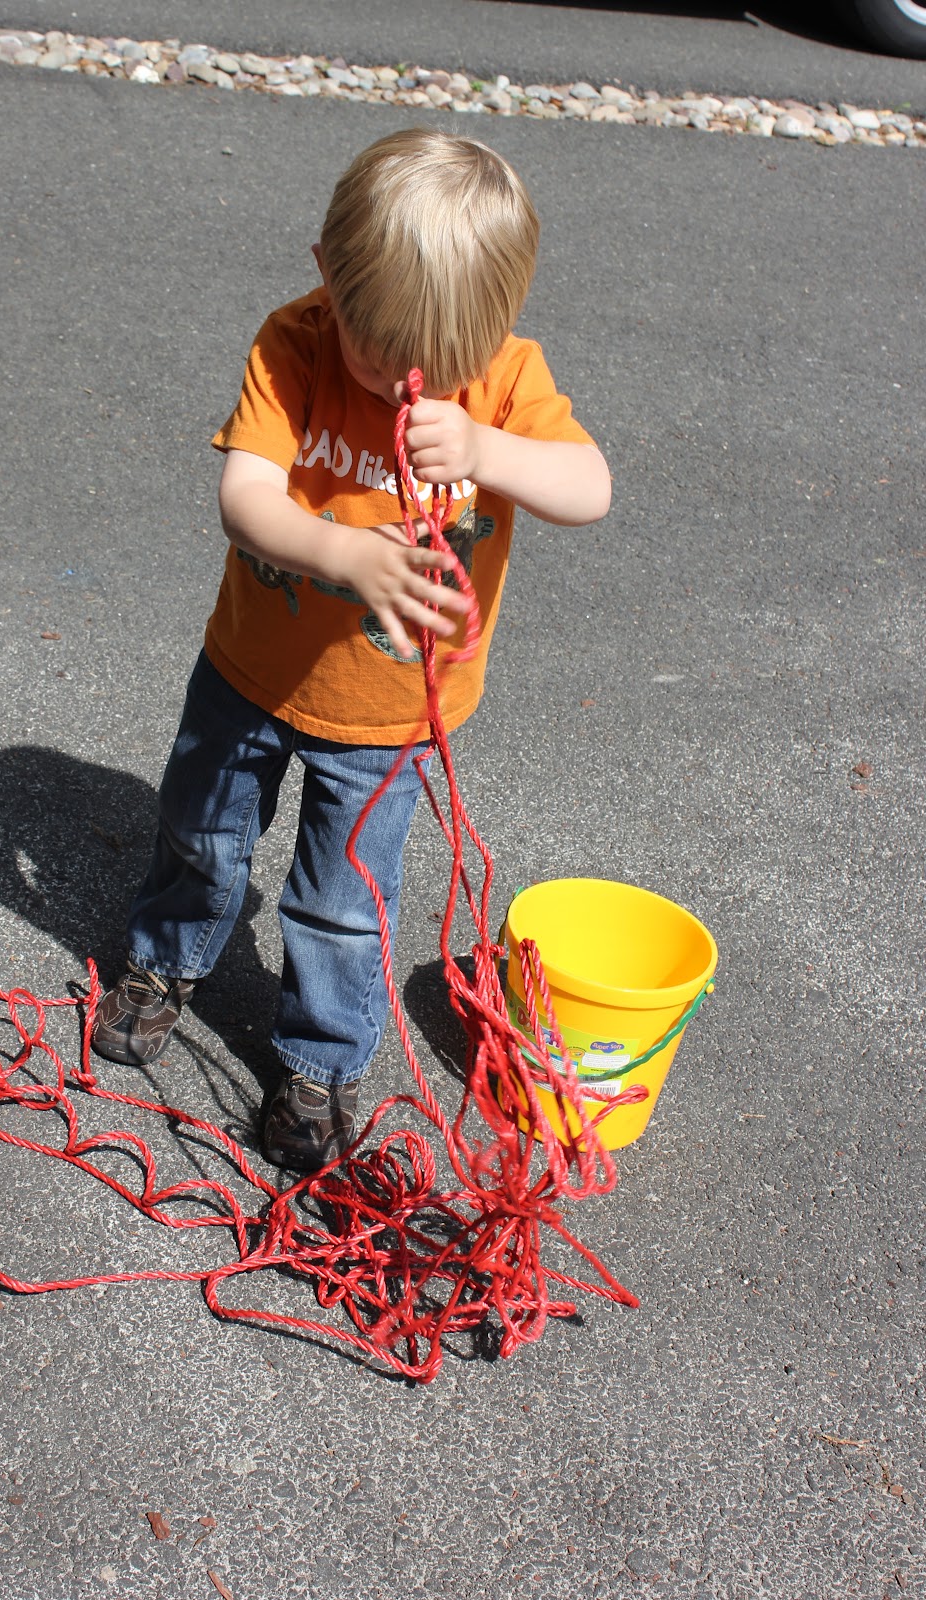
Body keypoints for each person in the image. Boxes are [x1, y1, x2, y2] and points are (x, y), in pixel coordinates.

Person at [91, 126, 611, 1170]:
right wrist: (339, 550)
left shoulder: (503, 380)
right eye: (382, 357)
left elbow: (588, 490)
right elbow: (243, 496)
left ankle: (319, 1062)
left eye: (442, 365)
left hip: (391, 719)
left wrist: (487, 447)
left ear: (498, 324)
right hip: (252, 672)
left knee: (339, 904)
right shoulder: (295, 341)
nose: (407, 384)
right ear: (328, 277)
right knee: (201, 831)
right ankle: (165, 959)